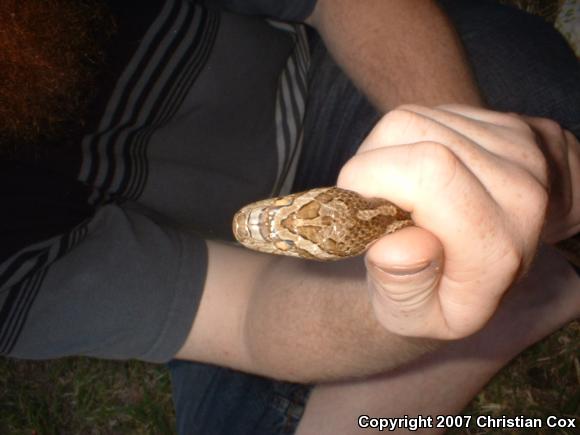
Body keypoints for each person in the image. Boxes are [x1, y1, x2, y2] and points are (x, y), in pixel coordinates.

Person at [1, 1, 578, 434]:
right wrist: (398, 317)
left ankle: (508, 268)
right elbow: (245, 317)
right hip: (235, 283)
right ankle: (511, 292)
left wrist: (461, 149)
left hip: (333, 84)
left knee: (537, 126)